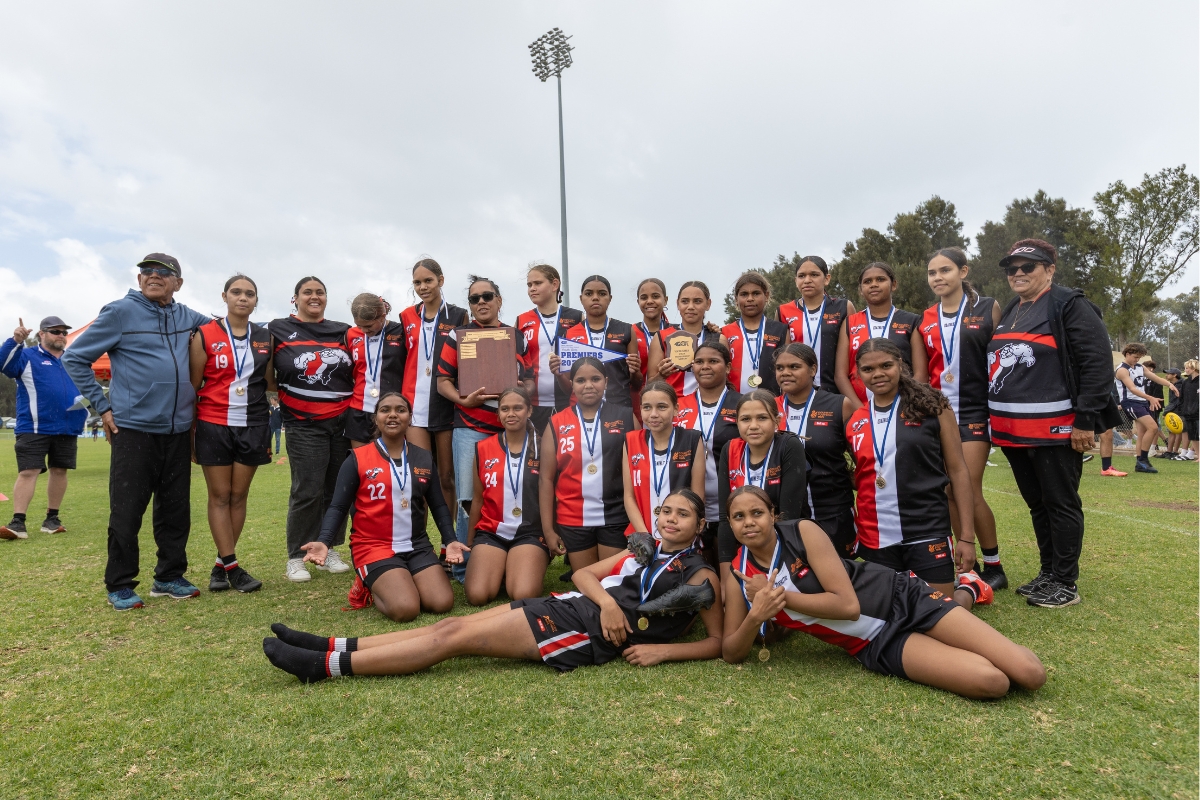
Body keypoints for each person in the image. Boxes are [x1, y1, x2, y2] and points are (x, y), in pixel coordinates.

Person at [264, 489, 722, 681]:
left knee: (452, 638)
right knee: (450, 627)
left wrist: (663, 650)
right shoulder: (645, 549)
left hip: (583, 635)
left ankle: (325, 667)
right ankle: (332, 645)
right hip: (576, 604)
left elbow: (720, 642)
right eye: (665, 512)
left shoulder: (700, 574)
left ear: (700, 524)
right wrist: (604, 601)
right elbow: (585, 575)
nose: (669, 520)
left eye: (682, 515)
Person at [721, 487, 1046, 700]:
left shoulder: (801, 532)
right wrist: (756, 614)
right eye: (739, 517)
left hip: (900, 597)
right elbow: (731, 652)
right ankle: (969, 592)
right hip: (876, 642)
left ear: (773, 515)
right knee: (993, 682)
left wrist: (778, 598)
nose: (749, 522)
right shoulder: (738, 572)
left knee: (1030, 674)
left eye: (757, 513)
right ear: (731, 525)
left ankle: (969, 589)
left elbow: (847, 606)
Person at [62, 253, 211, 610]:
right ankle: (120, 583)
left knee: (176, 510)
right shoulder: (118, 312)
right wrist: (103, 406)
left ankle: (169, 576)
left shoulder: (188, 316)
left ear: (178, 282)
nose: (153, 276)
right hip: (134, 429)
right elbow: (74, 357)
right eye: (147, 271)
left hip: (178, 429)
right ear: (139, 277)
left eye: (164, 272)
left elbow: (226, 331)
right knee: (127, 510)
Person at [987, 239, 1122, 608]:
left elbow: (1097, 365)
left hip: (1056, 428)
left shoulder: (1069, 304)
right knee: (1037, 504)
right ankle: (1048, 573)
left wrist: (1085, 421)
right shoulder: (1015, 306)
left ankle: (1065, 582)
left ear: (1049, 268)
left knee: (1060, 502)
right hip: (1013, 430)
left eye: (1027, 267)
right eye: (1012, 268)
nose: (1018, 273)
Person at [300, 392, 465, 621]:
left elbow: (437, 505)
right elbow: (338, 507)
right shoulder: (357, 458)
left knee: (441, 602)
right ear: (376, 418)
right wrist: (324, 540)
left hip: (416, 545)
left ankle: (399, 577)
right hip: (373, 546)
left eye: (400, 410)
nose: (393, 415)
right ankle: (370, 583)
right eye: (385, 410)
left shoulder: (424, 458)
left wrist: (451, 539)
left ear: (410, 417)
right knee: (406, 609)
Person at [847, 339, 986, 610]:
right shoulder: (856, 421)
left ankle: (970, 587)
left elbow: (958, 471)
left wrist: (966, 538)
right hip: (877, 533)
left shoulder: (933, 407)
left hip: (926, 528)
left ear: (900, 365)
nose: (877, 374)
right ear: (858, 374)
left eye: (886, 365)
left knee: (936, 615)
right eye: (868, 369)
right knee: (890, 614)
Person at [920, 248, 1007, 589]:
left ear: (963, 271)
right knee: (946, 490)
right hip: (939, 413)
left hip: (975, 410)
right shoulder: (924, 317)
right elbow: (920, 371)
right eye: (932, 273)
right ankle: (963, 563)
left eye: (945, 270)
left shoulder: (987, 307)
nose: (938, 277)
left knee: (967, 487)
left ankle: (994, 564)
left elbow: (1001, 357)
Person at [437, 276, 530, 581]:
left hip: (510, 433)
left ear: (499, 300)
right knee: (467, 500)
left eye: (487, 296)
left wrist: (520, 388)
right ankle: (464, 567)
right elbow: (442, 382)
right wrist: (465, 400)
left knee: (509, 495)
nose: (481, 303)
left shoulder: (515, 336)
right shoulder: (458, 335)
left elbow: (528, 379)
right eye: (474, 299)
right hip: (470, 429)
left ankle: (507, 561)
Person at [269, 276, 354, 583]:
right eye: (308, 292)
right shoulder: (277, 329)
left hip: (342, 424)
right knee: (307, 490)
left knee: (336, 491)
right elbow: (267, 372)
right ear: (296, 298)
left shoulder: (343, 331)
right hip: (303, 424)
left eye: (320, 292)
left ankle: (328, 547)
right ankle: (296, 556)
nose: (314, 296)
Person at [188, 275, 271, 593]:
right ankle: (234, 569)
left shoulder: (265, 337)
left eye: (250, 293)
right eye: (236, 292)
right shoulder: (205, 335)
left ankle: (222, 565)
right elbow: (194, 386)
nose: (243, 298)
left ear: (255, 301)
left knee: (239, 496)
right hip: (213, 423)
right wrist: (190, 431)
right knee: (220, 496)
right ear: (224, 296)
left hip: (252, 423)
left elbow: (267, 381)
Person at [540, 357, 638, 572]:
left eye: (595, 379)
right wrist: (548, 530)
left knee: (610, 583)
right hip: (573, 517)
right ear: (572, 384)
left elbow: (639, 471)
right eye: (580, 380)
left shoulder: (626, 417)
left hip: (615, 514)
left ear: (606, 381)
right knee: (585, 584)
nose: (588, 386)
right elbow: (546, 479)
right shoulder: (556, 422)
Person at [0, 316, 87, 540]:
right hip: (34, 426)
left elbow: (86, 388)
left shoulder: (73, 360)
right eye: (55, 331)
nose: (61, 335)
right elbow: (4, 365)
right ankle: (18, 522)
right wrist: (16, 341)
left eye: (63, 332)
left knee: (60, 470)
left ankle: (52, 519)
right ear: (41, 334)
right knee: (28, 471)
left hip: (67, 426)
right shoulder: (27, 355)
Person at [464, 387, 552, 605]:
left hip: (530, 532)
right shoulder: (483, 448)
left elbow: (554, 496)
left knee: (523, 595)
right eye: (505, 409)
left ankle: (515, 566)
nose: (511, 414)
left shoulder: (543, 448)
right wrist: (470, 545)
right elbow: (478, 499)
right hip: (492, 532)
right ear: (498, 414)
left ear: (529, 411)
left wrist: (552, 535)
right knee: (477, 596)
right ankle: (501, 566)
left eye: (517, 408)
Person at [399, 258, 469, 528]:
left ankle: (448, 543)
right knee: (420, 476)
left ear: (441, 280)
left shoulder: (459, 315)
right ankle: (421, 542)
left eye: (428, 280)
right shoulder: (406, 316)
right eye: (417, 282)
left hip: (445, 403)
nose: (423, 286)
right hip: (415, 405)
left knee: (447, 477)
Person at [717, 389, 806, 597]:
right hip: (745, 539)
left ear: (776, 421)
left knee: (772, 609)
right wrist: (725, 579)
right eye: (745, 419)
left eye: (762, 418)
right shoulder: (729, 449)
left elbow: (789, 517)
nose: (753, 426)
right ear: (737, 423)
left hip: (783, 544)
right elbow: (724, 517)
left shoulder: (789, 446)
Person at [772, 343, 856, 556]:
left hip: (833, 511)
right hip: (786, 513)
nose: (785, 373)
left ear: (813, 369)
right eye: (780, 368)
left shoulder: (839, 405)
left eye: (794, 366)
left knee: (843, 577)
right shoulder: (769, 408)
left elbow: (861, 456)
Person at [672, 340, 741, 561]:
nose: (705, 366)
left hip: (731, 500)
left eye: (713, 361)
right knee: (698, 570)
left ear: (728, 367)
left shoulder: (742, 404)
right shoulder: (678, 406)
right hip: (689, 501)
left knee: (728, 566)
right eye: (699, 362)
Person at [622, 380, 706, 538]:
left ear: (676, 409)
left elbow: (697, 497)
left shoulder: (692, 439)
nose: (653, 414)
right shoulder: (631, 440)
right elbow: (629, 496)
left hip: (679, 534)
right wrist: (644, 535)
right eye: (647, 407)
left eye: (661, 407)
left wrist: (678, 537)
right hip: (642, 533)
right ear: (640, 409)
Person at [836, 261, 926, 404]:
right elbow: (840, 375)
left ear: (894, 285)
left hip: (904, 407)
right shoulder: (849, 323)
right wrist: (860, 410)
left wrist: (905, 404)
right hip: (861, 409)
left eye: (880, 279)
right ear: (861, 289)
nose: (873, 284)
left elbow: (921, 373)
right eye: (867, 281)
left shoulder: (912, 321)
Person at [515, 264, 583, 434]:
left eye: (537, 283)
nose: (532, 289)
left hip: (569, 402)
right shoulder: (521, 320)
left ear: (554, 285)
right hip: (534, 404)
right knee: (536, 458)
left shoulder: (576, 317)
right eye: (529, 285)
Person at [776, 255, 854, 393]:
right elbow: (781, 358)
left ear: (827, 279)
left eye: (814, 275)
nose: (807, 280)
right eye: (801, 276)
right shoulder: (783, 311)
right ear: (796, 281)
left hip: (835, 391)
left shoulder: (843, 307)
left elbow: (853, 354)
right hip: (797, 390)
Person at [563, 275, 641, 409]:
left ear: (610, 298)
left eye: (602, 293)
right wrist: (557, 374)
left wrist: (635, 371)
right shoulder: (569, 334)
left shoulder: (626, 330)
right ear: (581, 299)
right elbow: (566, 388)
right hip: (580, 408)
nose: (595, 297)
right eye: (589, 293)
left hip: (618, 407)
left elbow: (637, 383)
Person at [645, 281, 727, 398]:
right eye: (685, 301)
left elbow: (725, 379)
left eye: (697, 301)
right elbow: (650, 384)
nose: (690, 307)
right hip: (673, 407)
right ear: (678, 304)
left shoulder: (718, 339)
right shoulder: (662, 337)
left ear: (708, 304)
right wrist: (661, 375)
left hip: (709, 406)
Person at [345, 294, 406, 448]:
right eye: (359, 326)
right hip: (359, 410)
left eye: (369, 326)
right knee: (361, 465)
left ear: (382, 316)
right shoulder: (351, 334)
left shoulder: (400, 332)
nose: (364, 330)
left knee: (389, 465)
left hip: (391, 411)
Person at [721, 272, 789, 395]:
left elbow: (787, 369)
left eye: (756, 293)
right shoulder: (724, 332)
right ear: (736, 299)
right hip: (732, 403)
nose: (750, 299)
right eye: (744, 294)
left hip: (771, 402)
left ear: (766, 296)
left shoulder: (781, 330)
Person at [1115, 343, 1178, 473]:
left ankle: (1140, 462)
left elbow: (1154, 377)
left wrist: (1169, 385)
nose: (1137, 360)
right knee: (1153, 427)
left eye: (1139, 357)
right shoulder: (1122, 370)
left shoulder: (1139, 367)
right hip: (1131, 402)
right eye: (1135, 357)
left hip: (1141, 402)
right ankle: (1143, 460)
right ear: (1127, 354)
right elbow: (1132, 389)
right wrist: (1150, 398)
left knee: (1143, 433)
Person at [630, 278, 672, 420]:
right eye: (644, 297)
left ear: (665, 300)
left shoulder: (677, 333)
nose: (649, 301)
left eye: (655, 296)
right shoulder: (629, 332)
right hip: (638, 403)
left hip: (668, 402)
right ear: (638, 302)